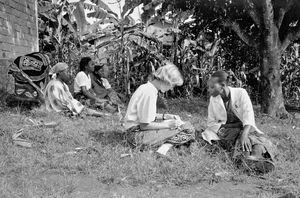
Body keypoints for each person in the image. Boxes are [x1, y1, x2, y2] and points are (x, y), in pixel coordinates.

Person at [202, 71, 276, 173]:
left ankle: (252, 159)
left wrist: (244, 134)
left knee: (249, 137)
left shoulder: (241, 93)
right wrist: (235, 126)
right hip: (226, 130)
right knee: (245, 137)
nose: (209, 90)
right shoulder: (213, 99)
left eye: (212, 87)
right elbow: (211, 123)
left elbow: (248, 116)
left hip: (245, 128)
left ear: (222, 85)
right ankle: (253, 159)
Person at [123, 62, 195, 154]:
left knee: (184, 126)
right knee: (188, 128)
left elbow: (145, 115)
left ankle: (163, 148)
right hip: (136, 136)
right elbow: (144, 125)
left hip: (133, 132)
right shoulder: (149, 93)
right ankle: (163, 149)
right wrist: (168, 125)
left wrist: (165, 116)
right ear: (166, 81)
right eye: (173, 85)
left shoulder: (147, 88)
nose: (172, 88)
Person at [44, 62, 109, 117]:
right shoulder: (55, 85)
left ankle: (103, 113)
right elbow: (59, 104)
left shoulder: (63, 84)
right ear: (60, 73)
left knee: (84, 106)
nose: (69, 74)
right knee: (83, 107)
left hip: (68, 105)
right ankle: (103, 114)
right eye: (67, 72)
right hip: (59, 109)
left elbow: (68, 99)